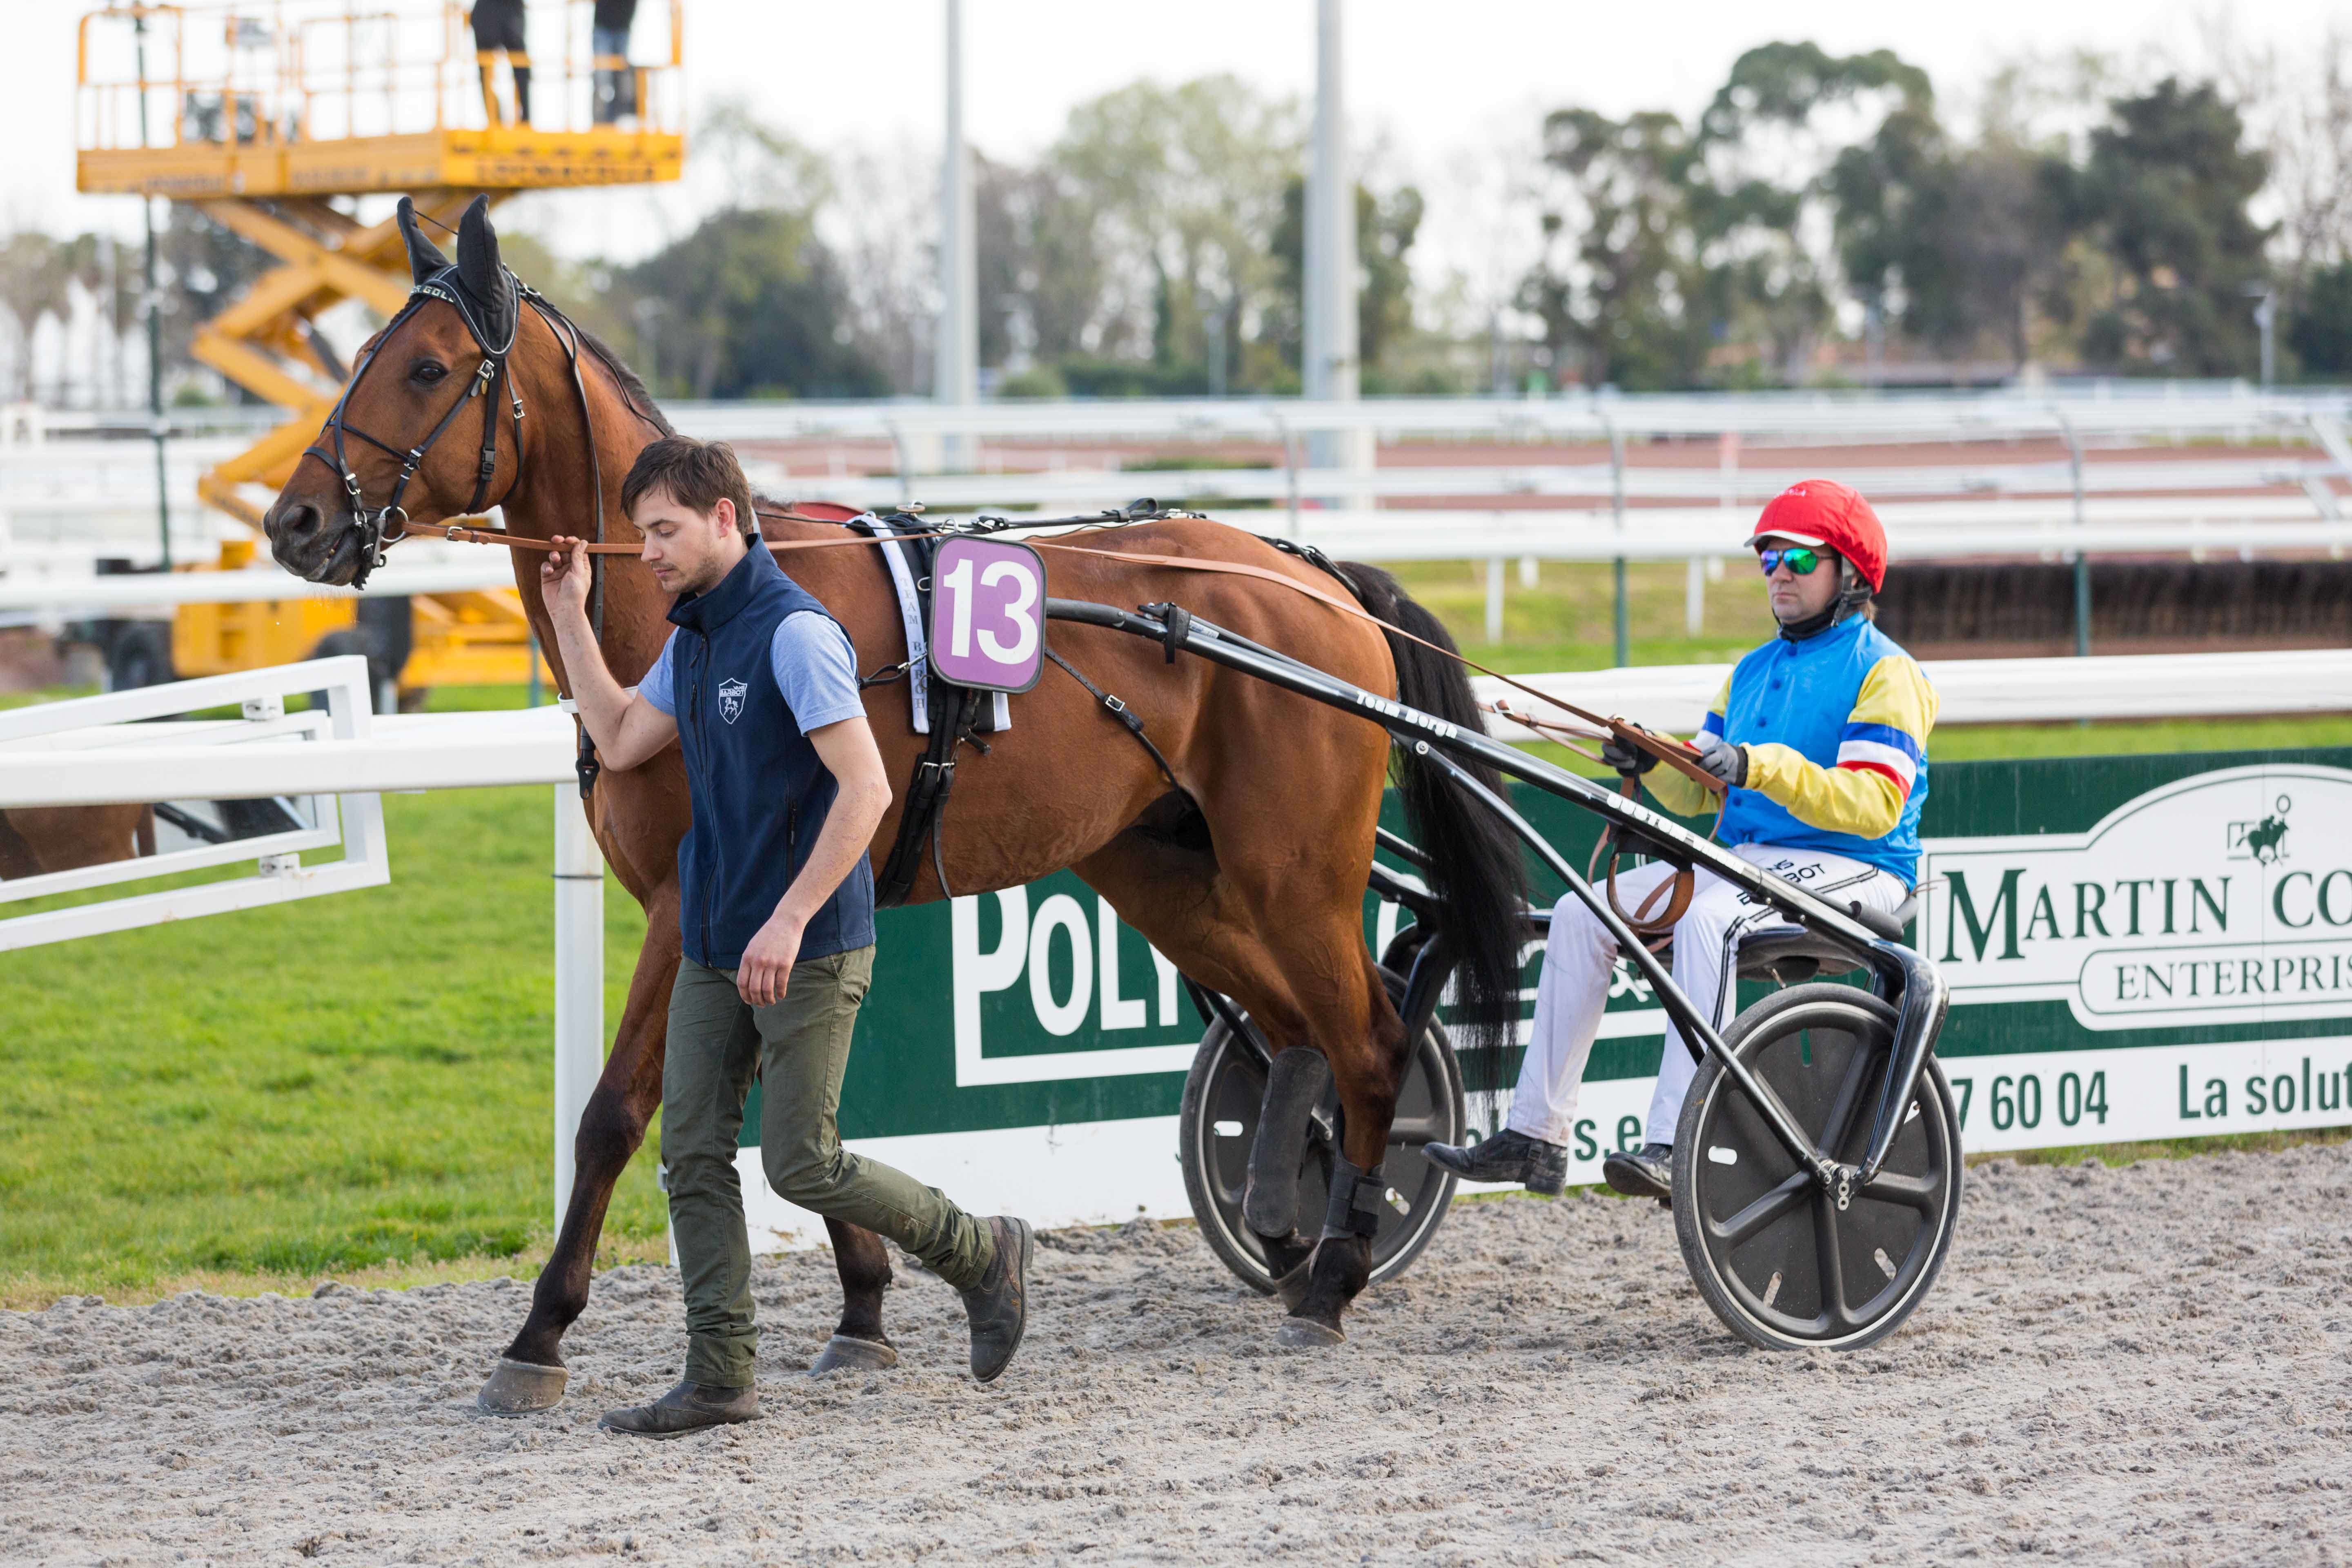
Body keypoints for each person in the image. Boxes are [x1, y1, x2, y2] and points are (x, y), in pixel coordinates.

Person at [539, 436, 1032, 1437]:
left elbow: (867, 789)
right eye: (640, 536)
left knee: (800, 1160)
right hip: (719, 941)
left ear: (725, 518)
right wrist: (566, 620)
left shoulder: (795, 635)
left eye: (665, 533)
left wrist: (791, 915)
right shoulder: (696, 634)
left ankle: (980, 1251)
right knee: (690, 1153)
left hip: (807, 941)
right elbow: (625, 736)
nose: (649, 556)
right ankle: (721, 1372)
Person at [1426, 479, 1935, 1203]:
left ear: (1849, 573)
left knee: (1708, 919)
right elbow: (1700, 789)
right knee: (1581, 913)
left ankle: (1677, 1139)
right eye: (1767, 560)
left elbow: (1874, 802)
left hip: (1859, 866)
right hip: (1754, 863)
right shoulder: (1752, 672)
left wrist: (1759, 766)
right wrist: (1650, 764)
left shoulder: (1888, 673)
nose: (1778, 574)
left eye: (1796, 557)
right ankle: (1535, 1136)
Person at [471, 0, 530, 126]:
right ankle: (497, 120)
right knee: (486, 68)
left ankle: (525, 119)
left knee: (521, 65)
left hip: (504, 10)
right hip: (489, 11)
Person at [591, 0, 639, 124]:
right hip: (604, 27)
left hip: (623, 28)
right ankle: (600, 123)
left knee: (620, 79)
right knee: (602, 78)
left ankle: (614, 121)